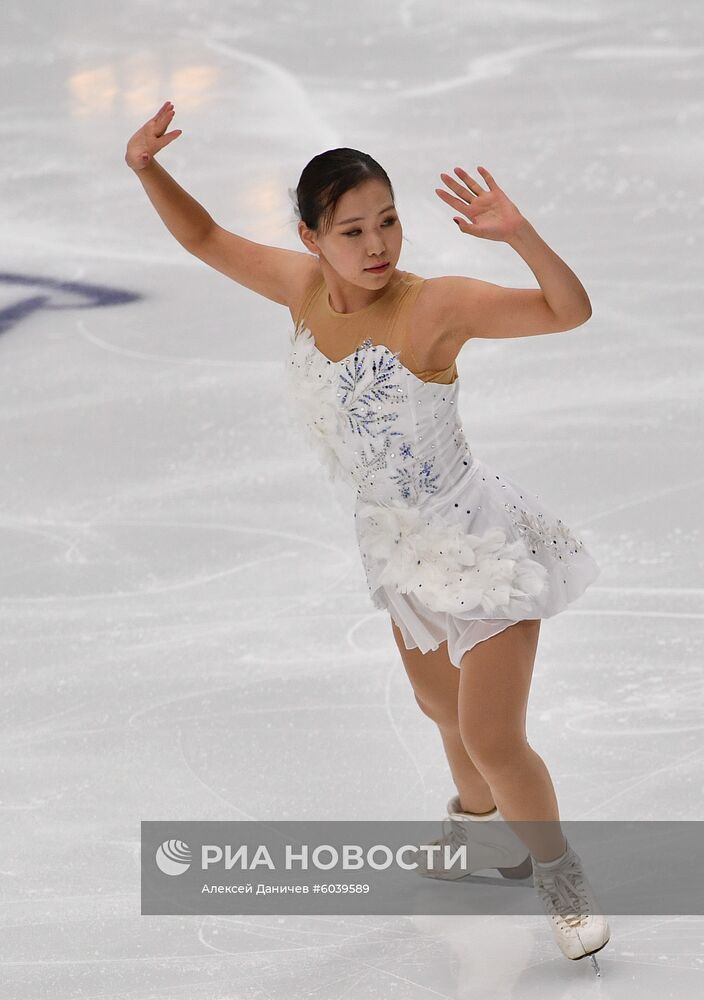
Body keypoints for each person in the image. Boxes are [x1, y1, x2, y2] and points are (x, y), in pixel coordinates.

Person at [125, 102, 610, 969]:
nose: (378, 243)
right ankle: (480, 833)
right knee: (438, 710)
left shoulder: (437, 307)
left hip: (478, 546)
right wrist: (147, 169)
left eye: (388, 220)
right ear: (312, 237)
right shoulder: (301, 289)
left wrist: (521, 234)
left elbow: (565, 312)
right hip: (394, 550)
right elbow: (204, 238)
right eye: (352, 229)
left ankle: (563, 886)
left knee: (494, 738)